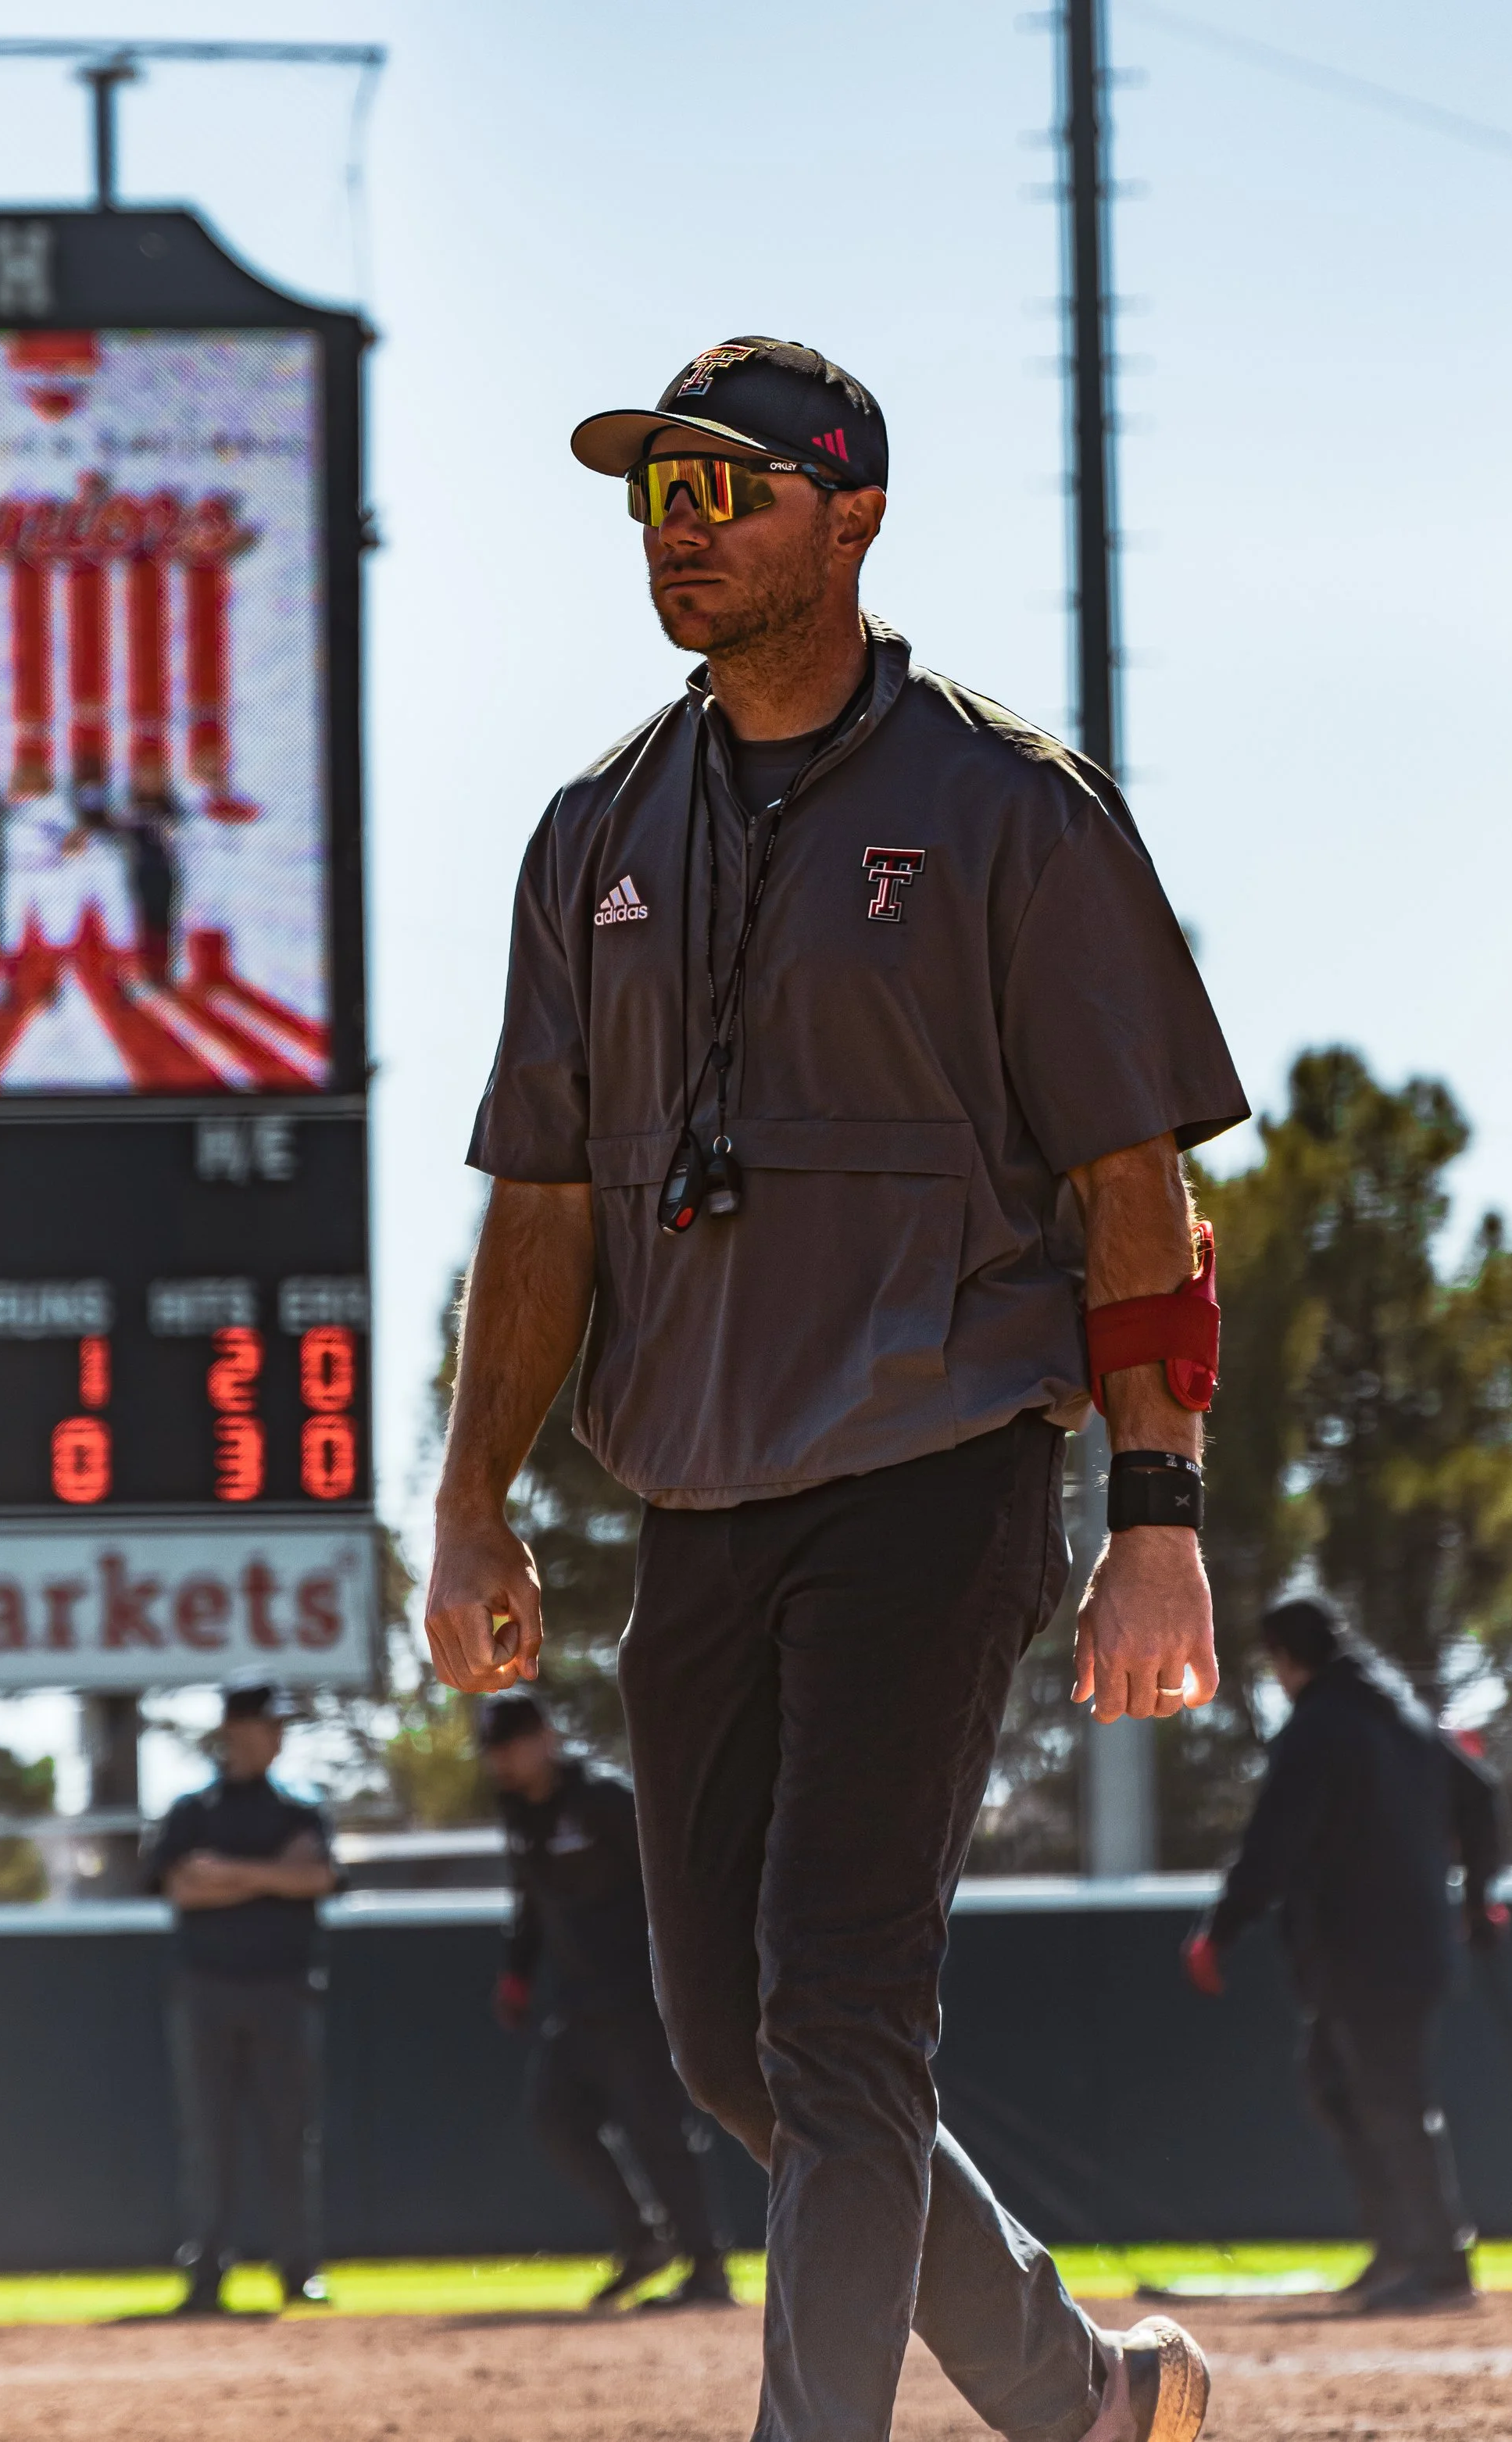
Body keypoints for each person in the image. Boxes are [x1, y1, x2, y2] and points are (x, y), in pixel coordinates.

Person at [427, 333, 1251, 2442]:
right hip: (691, 1494)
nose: (679, 532)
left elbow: (1129, 1181)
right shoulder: (589, 827)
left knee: (839, 2011)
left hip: (934, 1468)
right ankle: (1079, 2391)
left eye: (729, 493)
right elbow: (541, 1194)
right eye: (655, 498)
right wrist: (471, 1497)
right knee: (731, 2046)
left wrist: (1151, 1523)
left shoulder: (1008, 807)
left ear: (852, 513)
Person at [1181, 1596, 1505, 2315]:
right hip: (1402, 1947)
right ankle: (1399, 2250)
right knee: (1336, 2083)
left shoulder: (1322, 1724)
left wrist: (1222, 1927)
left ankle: (1440, 2262)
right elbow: (1481, 1794)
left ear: (1285, 1656)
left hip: (1364, 1953)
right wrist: (1479, 1896)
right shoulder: (1406, 1715)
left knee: (1392, 2099)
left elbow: (1271, 1842)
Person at [481, 1690, 729, 2308]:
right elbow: (529, 1904)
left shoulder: (605, 1799)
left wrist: (690, 1974)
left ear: (546, 1736)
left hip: (640, 1995)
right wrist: (518, 1975)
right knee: (555, 2116)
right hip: (578, 2000)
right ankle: (644, 2240)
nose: (503, 1761)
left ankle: (706, 2268)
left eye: (513, 1744)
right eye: (494, 1750)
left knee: (658, 2127)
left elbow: (677, 1878)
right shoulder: (518, 1813)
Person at [146, 1676, 339, 2315]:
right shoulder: (192, 1810)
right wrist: (272, 1874)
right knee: (209, 2136)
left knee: (291, 2133)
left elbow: (316, 1876)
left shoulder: (300, 1806)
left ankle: (298, 2270)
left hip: (285, 1989)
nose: (279, 1735)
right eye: (268, 1723)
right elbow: (181, 1889)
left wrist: (229, 1871)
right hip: (206, 1991)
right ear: (236, 1730)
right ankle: (207, 2271)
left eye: (282, 1724)